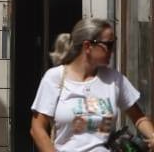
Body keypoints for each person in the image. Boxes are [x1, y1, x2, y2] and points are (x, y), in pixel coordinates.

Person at [31, 17, 154, 152]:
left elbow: (139, 118)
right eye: (108, 45)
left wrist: (152, 136)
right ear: (88, 46)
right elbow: (37, 128)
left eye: (113, 44)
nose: (112, 50)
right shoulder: (55, 77)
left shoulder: (114, 79)